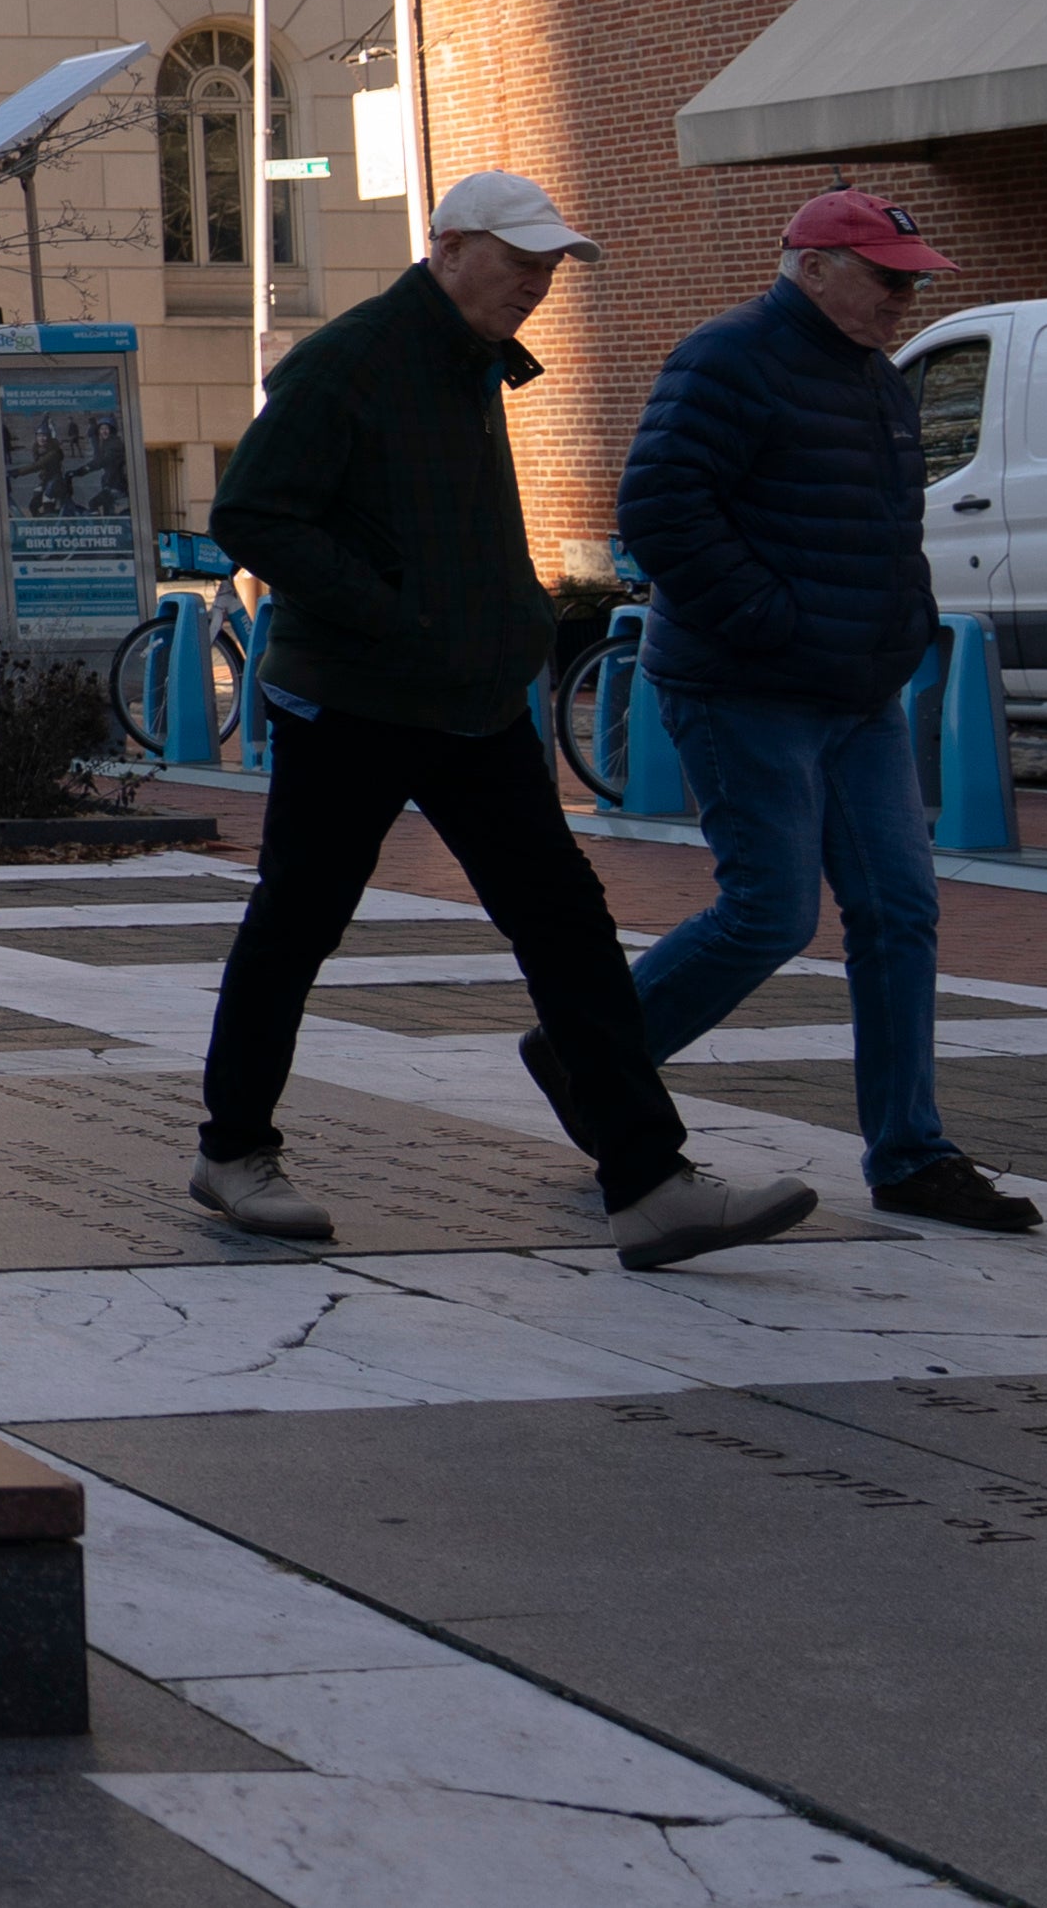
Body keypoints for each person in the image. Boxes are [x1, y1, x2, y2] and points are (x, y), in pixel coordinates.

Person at [193, 167, 819, 1270]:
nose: (536, 282)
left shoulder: (469, 359)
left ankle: (649, 1181)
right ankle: (232, 1149)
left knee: (565, 926)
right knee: (298, 922)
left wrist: (506, 616)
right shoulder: (350, 359)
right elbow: (248, 510)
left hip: (470, 699)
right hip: (354, 697)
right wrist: (391, 612)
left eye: (547, 265)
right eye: (518, 258)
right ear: (443, 245)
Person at [612, 191, 1041, 1232]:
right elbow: (656, 508)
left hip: (855, 691)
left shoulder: (874, 381)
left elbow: (886, 528)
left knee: (898, 910)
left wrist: (899, 627)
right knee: (768, 912)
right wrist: (770, 620)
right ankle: (595, 1059)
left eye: (910, 280)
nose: (903, 296)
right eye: (884, 276)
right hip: (742, 683)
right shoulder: (727, 357)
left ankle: (908, 1155)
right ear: (810, 265)